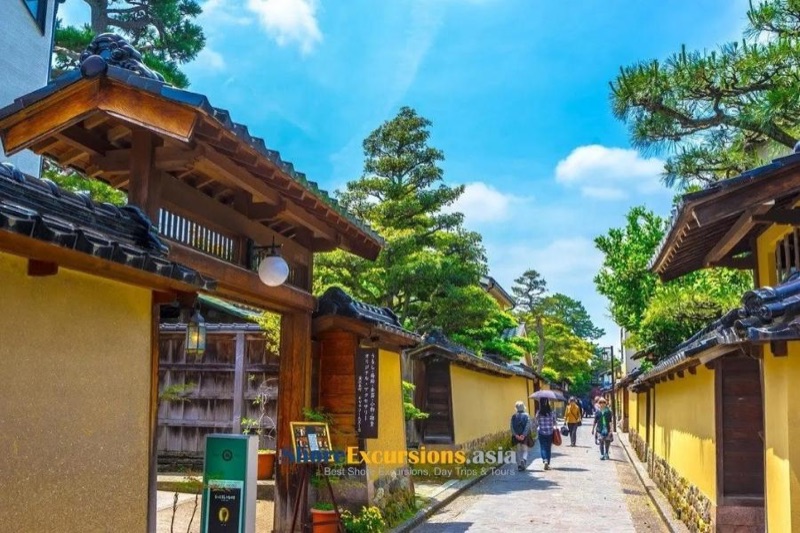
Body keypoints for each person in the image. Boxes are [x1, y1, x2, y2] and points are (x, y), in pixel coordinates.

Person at [534, 398, 557, 470]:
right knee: (548, 448)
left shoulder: (539, 413)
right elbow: (554, 422)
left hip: (541, 432)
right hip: (550, 432)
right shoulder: (551, 412)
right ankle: (548, 462)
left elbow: (536, 423)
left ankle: (545, 460)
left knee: (543, 447)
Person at [510, 401, 532, 471]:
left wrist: (516, 435)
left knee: (518, 450)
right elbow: (528, 425)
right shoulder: (527, 415)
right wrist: (523, 435)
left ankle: (519, 465)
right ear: (523, 407)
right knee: (525, 450)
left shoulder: (513, 416)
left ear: (516, 408)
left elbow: (511, 426)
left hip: (516, 436)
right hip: (524, 436)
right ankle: (524, 460)